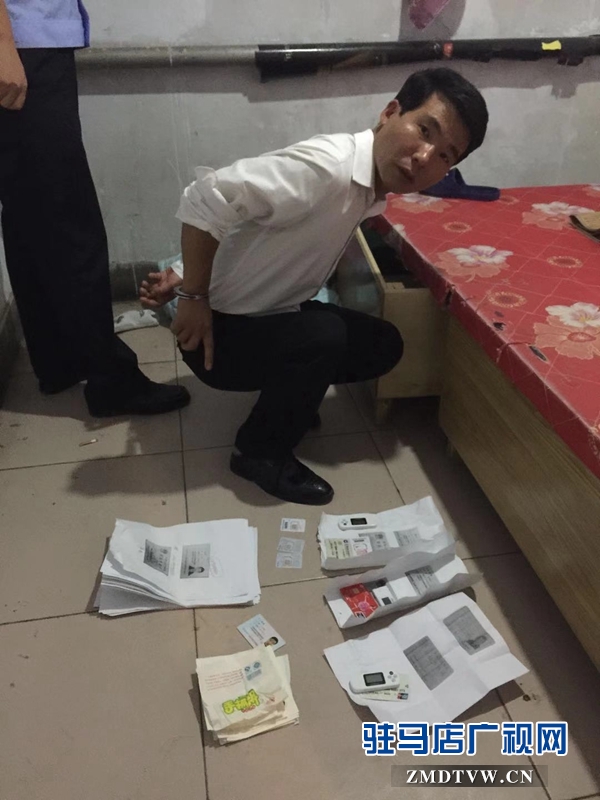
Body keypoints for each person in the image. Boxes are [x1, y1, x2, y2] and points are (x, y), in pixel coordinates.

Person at [141, 68, 489, 503]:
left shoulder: (369, 185)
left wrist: (181, 272)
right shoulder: (328, 168)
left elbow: (251, 226)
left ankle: (288, 401)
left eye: (445, 156)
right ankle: (258, 453)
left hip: (268, 312)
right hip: (216, 336)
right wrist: (193, 294)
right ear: (390, 112)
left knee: (382, 344)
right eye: (424, 130)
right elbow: (205, 196)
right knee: (324, 335)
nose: (424, 157)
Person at [0, 0, 190, 416]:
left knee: (29, 213)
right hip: (23, 44)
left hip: (28, 42)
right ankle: (111, 382)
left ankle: (58, 362)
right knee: (69, 219)